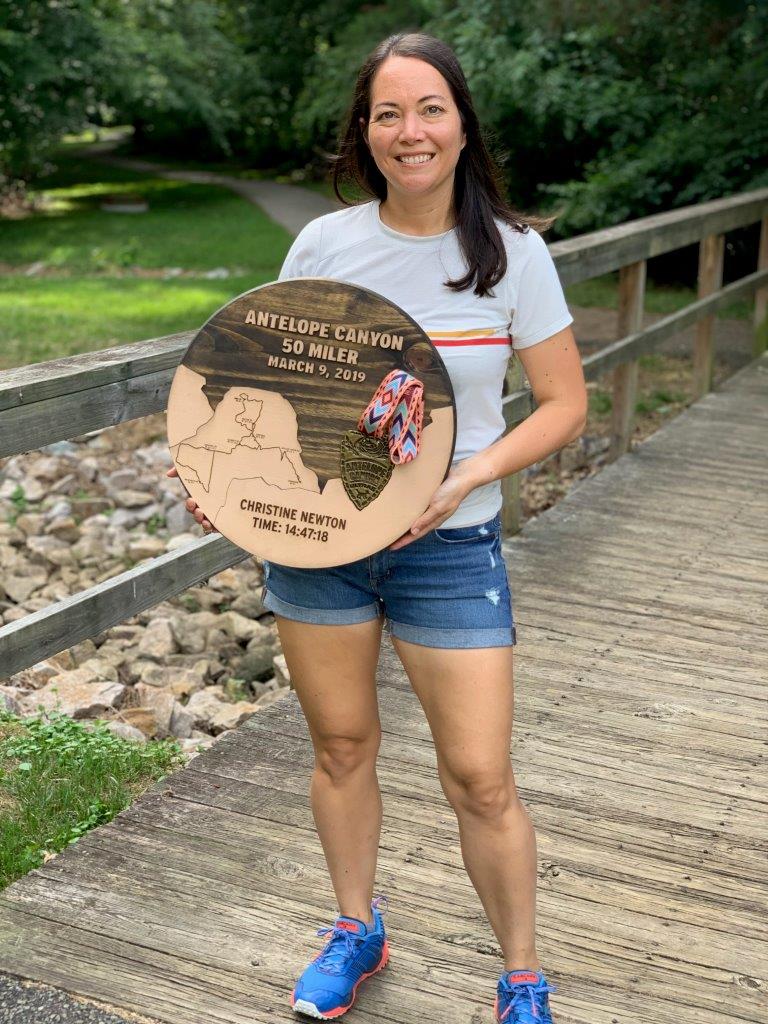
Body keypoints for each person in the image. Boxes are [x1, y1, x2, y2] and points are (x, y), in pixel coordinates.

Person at [169, 31, 587, 1024]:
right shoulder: (325, 246)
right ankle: (357, 927)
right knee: (342, 745)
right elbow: (271, 383)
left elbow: (564, 403)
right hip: (322, 547)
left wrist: (466, 476)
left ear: (461, 122)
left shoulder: (513, 255)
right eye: (388, 112)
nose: (411, 131)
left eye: (429, 108)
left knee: (482, 776)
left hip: (450, 546)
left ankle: (521, 977)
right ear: (366, 130)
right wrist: (224, 482)